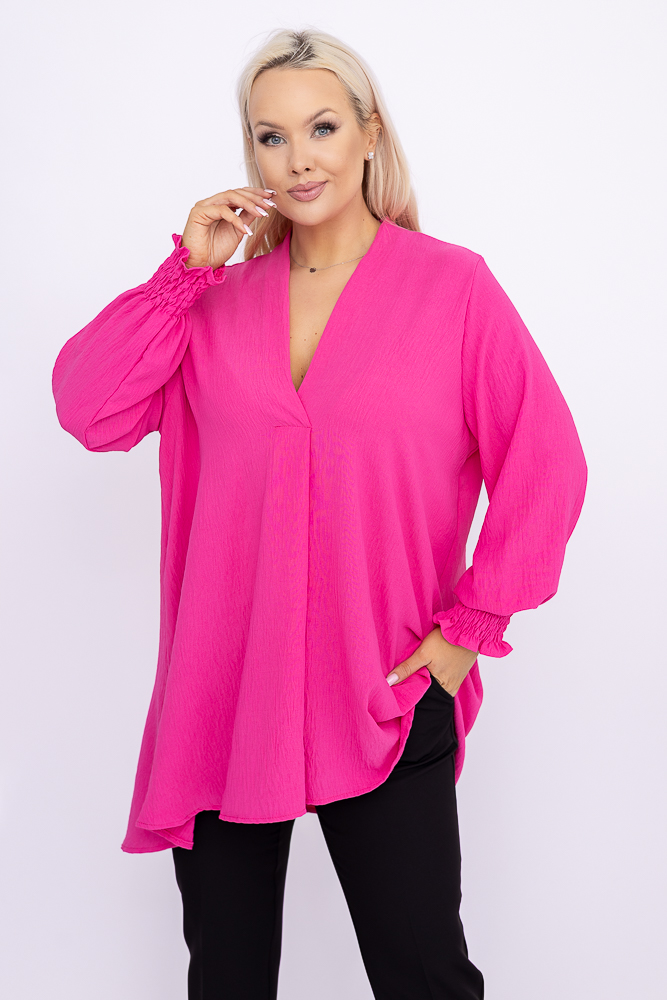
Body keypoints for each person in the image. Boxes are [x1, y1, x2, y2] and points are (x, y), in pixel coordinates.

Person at [51, 26, 587, 1000]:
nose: (298, 158)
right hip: (224, 693)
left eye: (322, 127)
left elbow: (546, 462)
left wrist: (468, 629)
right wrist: (183, 275)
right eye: (271, 136)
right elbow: (89, 409)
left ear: (369, 134)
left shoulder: (452, 289)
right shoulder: (213, 307)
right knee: (226, 979)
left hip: (384, 686)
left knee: (422, 974)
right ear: (251, 152)